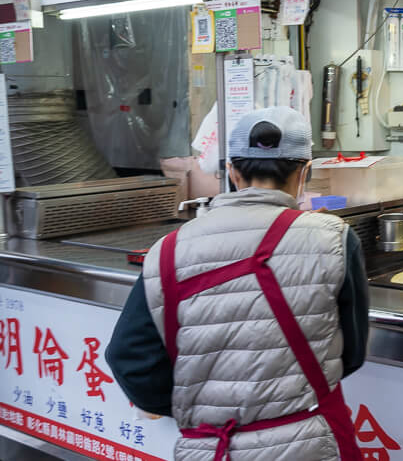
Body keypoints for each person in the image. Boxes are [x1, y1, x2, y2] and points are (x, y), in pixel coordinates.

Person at [106, 107, 367, 461]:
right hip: (309, 443)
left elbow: (129, 359)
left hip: (212, 449)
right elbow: (350, 352)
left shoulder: (166, 252)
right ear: (304, 172)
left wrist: (207, 405)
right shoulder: (334, 238)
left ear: (231, 171)